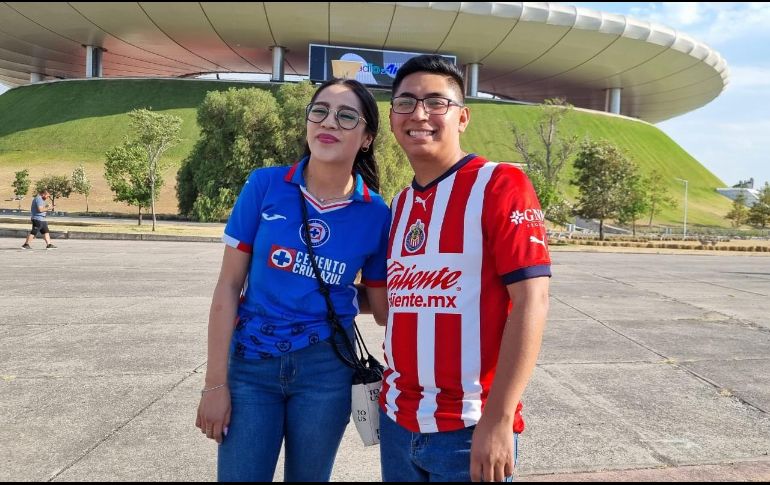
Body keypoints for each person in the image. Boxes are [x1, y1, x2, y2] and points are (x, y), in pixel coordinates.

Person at [195, 78, 390, 482]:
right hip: (250, 364)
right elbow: (229, 286)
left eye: (346, 115)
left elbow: (382, 307)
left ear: (367, 137)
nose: (329, 122)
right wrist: (214, 385)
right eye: (319, 111)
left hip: (326, 370)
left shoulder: (376, 213)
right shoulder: (265, 185)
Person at [379, 55, 551, 482]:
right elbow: (394, 305)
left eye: (436, 102)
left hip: (470, 427)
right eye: (406, 102)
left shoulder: (500, 183)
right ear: (392, 116)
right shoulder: (399, 205)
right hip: (397, 422)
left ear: (462, 117)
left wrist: (499, 420)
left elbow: (532, 302)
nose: (420, 113)